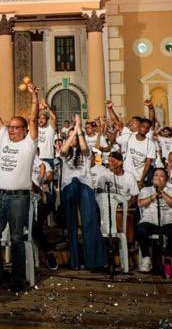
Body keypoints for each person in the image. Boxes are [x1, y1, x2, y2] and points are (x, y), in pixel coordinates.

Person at [0, 83, 39, 292]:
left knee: (16, 238)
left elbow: (33, 119)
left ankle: (18, 278)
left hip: (18, 198)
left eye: (17, 128)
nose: (12, 130)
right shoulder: (4, 138)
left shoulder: (29, 144)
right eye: (11, 127)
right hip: (0, 195)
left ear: (25, 131)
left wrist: (33, 97)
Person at [58, 114, 106, 271]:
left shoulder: (86, 152)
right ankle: (75, 262)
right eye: (72, 136)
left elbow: (84, 148)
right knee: (71, 225)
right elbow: (64, 149)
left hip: (84, 186)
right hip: (69, 188)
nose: (74, 139)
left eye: (77, 136)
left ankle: (94, 261)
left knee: (89, 222)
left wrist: (78, 127)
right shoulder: (65, 152)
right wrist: (73, 131)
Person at [135, 168, 172, 275]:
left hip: (168, 221)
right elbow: (140, 203)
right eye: (156, 175)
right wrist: (154, 195)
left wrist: (162, 193)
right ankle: (146, 258)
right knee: (141, 230)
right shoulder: (145, 190)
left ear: (166, 179)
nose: (158, 178)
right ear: (152, 179)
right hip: (150, 221)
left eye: (161, 176)